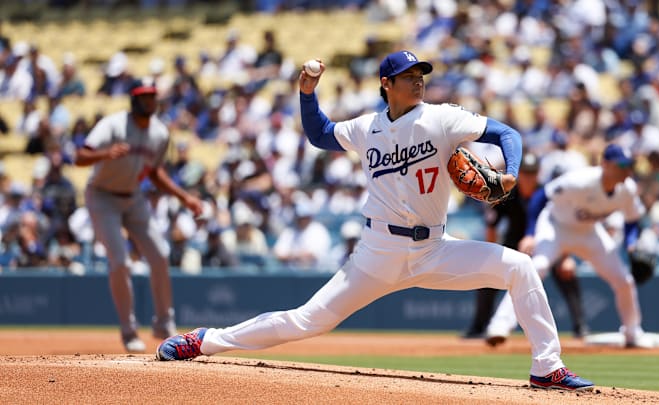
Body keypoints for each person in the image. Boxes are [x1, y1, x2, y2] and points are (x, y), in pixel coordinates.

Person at [157, 51, 593, 391]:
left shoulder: (442, 117)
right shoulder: (368, 127)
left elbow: (506, 135)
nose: (418, 80)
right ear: (387, 85)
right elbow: (320, 134)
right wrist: (307, 93)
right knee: (307, 320)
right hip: (377, 252)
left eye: (420, 74)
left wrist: (512, 169)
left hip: (434, 249)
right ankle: (205, 340)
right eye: (408, 76)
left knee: (519, 266)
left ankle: (547, 368)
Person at [75, 79, 203, 353]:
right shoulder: (113, 125)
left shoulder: (160, 133)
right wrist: (105, 153)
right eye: (143, 97)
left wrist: (186, 197)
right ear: (134, 100)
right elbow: (80, 156)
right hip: (102, 196)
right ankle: (128, 330)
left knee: (159, 255)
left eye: (152, 97)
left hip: (133, 197)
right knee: (120, 262)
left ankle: (163, 324)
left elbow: (156, 174)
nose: (149, 101)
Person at [485, 143, 655, 348]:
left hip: (589, 232)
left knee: (624, 279)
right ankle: (499, 326)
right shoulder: (581, 180)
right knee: (535, 267)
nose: (626, 170)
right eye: (621, 165)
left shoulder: (627, 188)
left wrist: (630, 244)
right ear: (606, 164)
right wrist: (530, 234)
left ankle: (632, 332)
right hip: (556, 227)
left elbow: (632, 219)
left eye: (629, 165)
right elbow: (540, 197)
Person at [463, 153, 588, 342]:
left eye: (533, 173)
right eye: (526, 173)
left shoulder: (547, 194)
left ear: (538, 174)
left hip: (545, 244)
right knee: (486, 278)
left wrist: (565, 256)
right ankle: (478, 328)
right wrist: (489, 255)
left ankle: (581, 326)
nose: (529, 177)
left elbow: (562, 225)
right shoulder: (507, 194)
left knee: (567, 273)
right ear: (519, 174)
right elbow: (491, 225)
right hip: (513, 245)